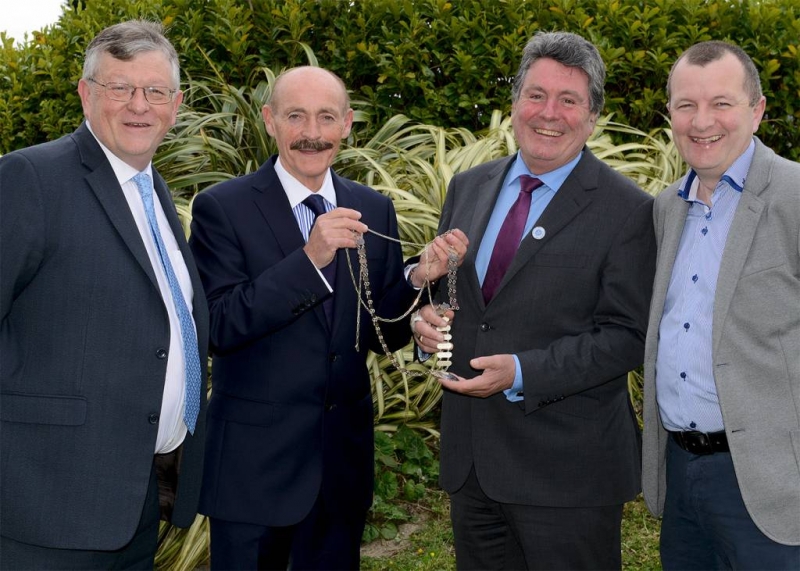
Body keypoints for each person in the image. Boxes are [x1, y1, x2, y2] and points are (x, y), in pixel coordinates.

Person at [189, 65, 467, 570]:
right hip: (253, 473)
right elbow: (219, 325)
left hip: (341, 468)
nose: (312, 134)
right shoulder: (221, 208)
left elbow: (380, 331)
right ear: (270, 120)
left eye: (326, 117)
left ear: (347, 124)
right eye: (296, 116)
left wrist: (415, 279)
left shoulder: (372, 207)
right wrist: (308, 260)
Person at [412, 31, 656, 570]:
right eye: (536, 95)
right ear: (515, 101)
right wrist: (426, 328)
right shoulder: (467, 186)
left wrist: (522, 371)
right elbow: (449, 296)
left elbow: (628, 336)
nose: (550, 113)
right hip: (473, 465)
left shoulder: (629, 210)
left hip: (568, 473)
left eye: (569, 100)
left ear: (593, 117)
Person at [0, 20, 208, 570]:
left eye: (155, 91)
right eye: (120, 88)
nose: (139, 105)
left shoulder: (154, 189)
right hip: (42, 508)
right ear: (87, 94)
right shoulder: (29, 178)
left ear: (176, 103)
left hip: (133, 501)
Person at [641, 40, 800, 569]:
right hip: (682, 474)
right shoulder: (668, 208)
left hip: (773, 484)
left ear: (756, 112)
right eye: (686, 105)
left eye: (721, 104)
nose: (701, 121)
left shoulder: (795, 197)